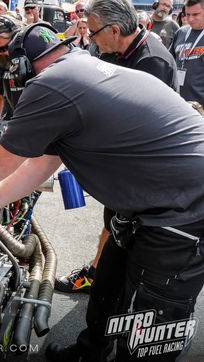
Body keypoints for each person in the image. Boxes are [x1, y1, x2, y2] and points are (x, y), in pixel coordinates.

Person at [0, 22, 204, 362]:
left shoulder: (53, 83)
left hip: (186, 208)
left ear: (20, 66)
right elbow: (41, 164)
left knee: (151, 323)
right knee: (109, 285)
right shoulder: (79, 70)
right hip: (147, 203)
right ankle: (90, 353)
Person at [55, 0, 178, 295]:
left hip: (146, 169)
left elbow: (139, 126)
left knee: (127, 230)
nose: (93, 40)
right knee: (112, 221)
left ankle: (113, 289)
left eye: (94, 33)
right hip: (125, 163)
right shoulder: (119, 50)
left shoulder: (152, 61)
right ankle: (98, 274)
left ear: (113, 30)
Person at [170, 0, 204, 106]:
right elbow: (169, 62)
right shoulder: (181, 32)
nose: (190, 19)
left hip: (200, 108)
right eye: (188, 14)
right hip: (178, 103)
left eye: (195, 14)